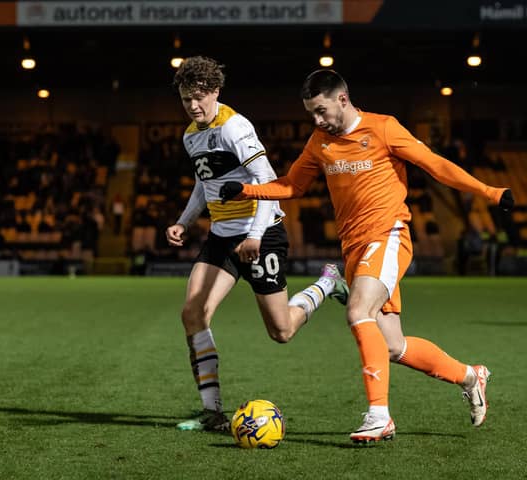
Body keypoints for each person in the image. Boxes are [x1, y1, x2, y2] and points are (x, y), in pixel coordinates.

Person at [220, 69, 514, 443]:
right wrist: (246, 189)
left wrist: (489, 192)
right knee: (392, 346)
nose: (316, 120)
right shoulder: (319, 142)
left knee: (357, 311)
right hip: (354, 248)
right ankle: (472, 376)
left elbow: (435, 164)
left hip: (388, 236)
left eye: (321, 111)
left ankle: (379, 416)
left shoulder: (384, 128)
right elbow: (292, 186)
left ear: (342, 99)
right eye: (311, 113)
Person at [168, 57, 349, 432]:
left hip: (261, 232)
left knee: (281, 331)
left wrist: (254, 235)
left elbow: (267, 180)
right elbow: (205, 185)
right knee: (193, 312)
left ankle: (328, 282)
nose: (193, 106)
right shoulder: (191, 136)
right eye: (186, 99)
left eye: (199, 97)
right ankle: (212, 413)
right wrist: (184, 222)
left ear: (216, 92)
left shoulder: (235, 126)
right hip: (221, 236)